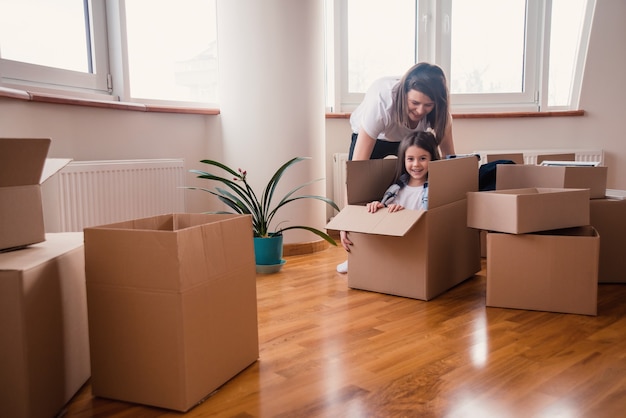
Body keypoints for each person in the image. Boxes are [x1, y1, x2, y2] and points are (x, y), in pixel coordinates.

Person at [337, 62, 455, 274]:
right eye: (415, 103)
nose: (420, 111)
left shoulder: (441, 112)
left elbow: (449, 159)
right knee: (367, 192)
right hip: (375, 136)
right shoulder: (382, 100)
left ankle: (402, 250)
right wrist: (347, 218)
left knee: (405, 190)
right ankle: (356, 256)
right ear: (404, 93)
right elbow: (357, 172)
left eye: (428, 105)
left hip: (407, 140)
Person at [366, 130, 440, 214]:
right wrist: (378, 206)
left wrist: (403, 212)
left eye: (422, 158)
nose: (416, 164)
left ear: (432, 158)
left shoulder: (434, 191)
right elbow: (385, 217)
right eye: (410, 159)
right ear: (403, 160)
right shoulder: (394, 189)